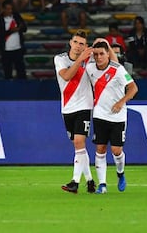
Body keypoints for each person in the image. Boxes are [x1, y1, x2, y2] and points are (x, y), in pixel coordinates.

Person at [86, 41, 138, 194]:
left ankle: (120, 173)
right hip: (100, 114)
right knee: (100, 149)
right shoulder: (90, 69)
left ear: (108, 54)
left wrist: (121, 102)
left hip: (118, 116)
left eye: (102, 53)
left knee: (116, 150)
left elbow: (133, 88)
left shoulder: (118, 70)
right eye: (96, 54)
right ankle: (102, 185)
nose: (99, 57)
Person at [54, 29, 95, 194]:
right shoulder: (60, 59)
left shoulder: (89, 60)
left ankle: (75, 183)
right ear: (71, 42)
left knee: (79, 143)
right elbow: (66, 76)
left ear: (86, 46)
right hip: (67, 108)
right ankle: (90, 181)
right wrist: (80, 60)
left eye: (82, 44)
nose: (78, 46)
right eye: (76, 42)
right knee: (79, 148)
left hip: (84, 106)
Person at [0, 0, 27, 79]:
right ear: (3, 9)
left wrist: (20, 28)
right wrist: (11, 31)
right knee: (7, 71)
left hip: (18, 48)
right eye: (8, 9)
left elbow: (25, 28)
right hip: (6, 50)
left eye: (11, 9)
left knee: (21, 71)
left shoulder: (16, 16)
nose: (10, 11)